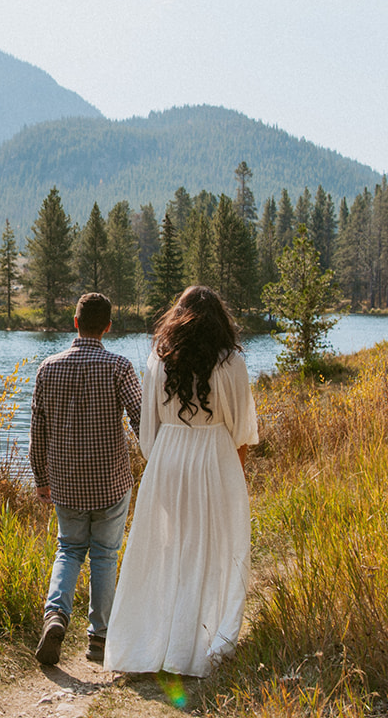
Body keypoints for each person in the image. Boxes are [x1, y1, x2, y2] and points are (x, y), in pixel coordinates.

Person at [104, 285, 259, 677]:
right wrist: (232, 476)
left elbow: (147, 428)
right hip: (215, 459)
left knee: (166, 550)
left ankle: (153, 643)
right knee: (212, 551)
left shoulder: (160, 359)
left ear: (178, 316)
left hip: (168, 459)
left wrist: (161, 464)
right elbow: (241, 430)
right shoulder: (230, 362)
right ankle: (197, 645)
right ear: (220, 321)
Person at [28, 291, 142, 666]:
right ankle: (99, 638)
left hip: (65, 482)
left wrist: (41, 477)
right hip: (110, 480)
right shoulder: (120, 367)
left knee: (68, 549)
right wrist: (158, 458)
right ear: (107, 327)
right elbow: (142, 418)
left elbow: (38, 430)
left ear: (74, 323)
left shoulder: (48, 367)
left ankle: (56, 616)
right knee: (105, 555)